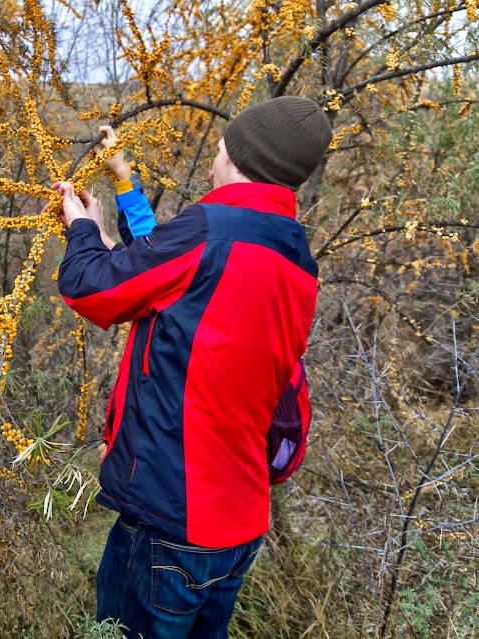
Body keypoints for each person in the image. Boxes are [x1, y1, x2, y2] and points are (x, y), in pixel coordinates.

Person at [53, 96, 331, 638]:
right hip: (238, 527)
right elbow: (172, 281)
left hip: (169, 522)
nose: (211, 163)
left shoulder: (212, 227)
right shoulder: (295, 257)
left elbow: (92, 286)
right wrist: (125, 185)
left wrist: (81, 229)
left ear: (242, 159)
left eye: (221, 150)